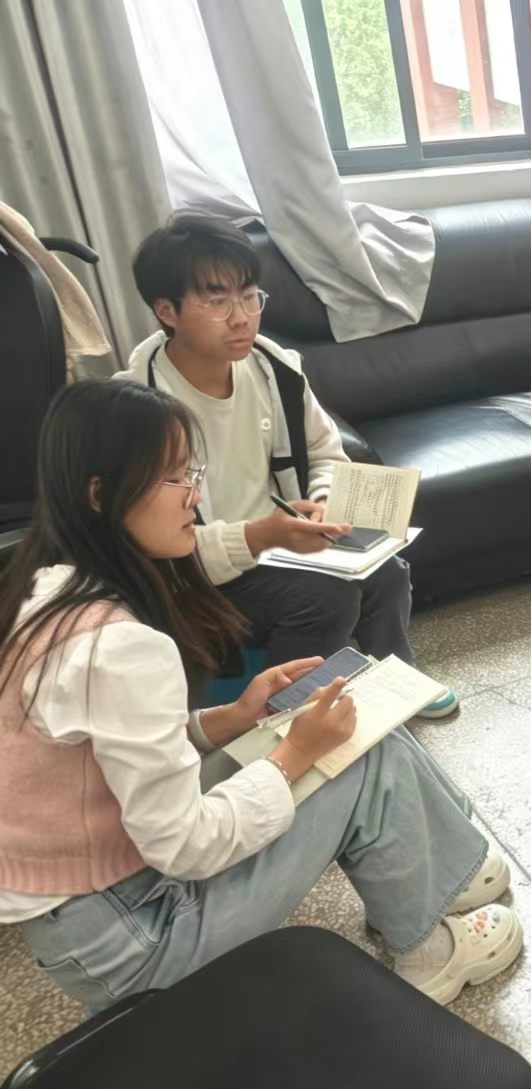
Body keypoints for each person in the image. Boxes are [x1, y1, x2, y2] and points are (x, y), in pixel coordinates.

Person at [0, 381, 521, 1010]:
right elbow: (185, 846)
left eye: (191, 474)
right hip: (140, 939)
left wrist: (231, 718)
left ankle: (435, 871)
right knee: (355, 752)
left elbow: (104, 755)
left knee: (346, 722)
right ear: (99, 494)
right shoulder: (119, 645)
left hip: (94, 915)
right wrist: (293, 756)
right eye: (174, 478)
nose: (194, 496)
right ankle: (430, 950)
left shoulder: (45, 593)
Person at [117, 213, 457, 717]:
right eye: (217, 302)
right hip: (194, 576)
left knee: (384, 571)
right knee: (326, 598)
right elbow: (157, 545)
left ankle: (396, 677)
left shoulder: (273, 367)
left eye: (249, 296)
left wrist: (321, 502)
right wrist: (263, 535)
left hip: (279, 544)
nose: (241, 318)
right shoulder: (137, 406)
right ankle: (285, 717)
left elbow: (324, 452)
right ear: (167, 310)